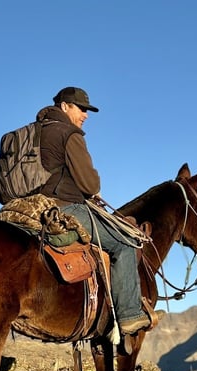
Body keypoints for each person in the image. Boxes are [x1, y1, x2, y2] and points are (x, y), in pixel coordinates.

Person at [36, 86, 151, 335]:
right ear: (64, 106)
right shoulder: (69, 133)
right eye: (81, 108)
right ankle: (130, 314)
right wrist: (92, 185)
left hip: (29, 207)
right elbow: (90, 184)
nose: (85, 115)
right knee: (125, 242)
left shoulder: (31, 132)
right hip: (64, 207)